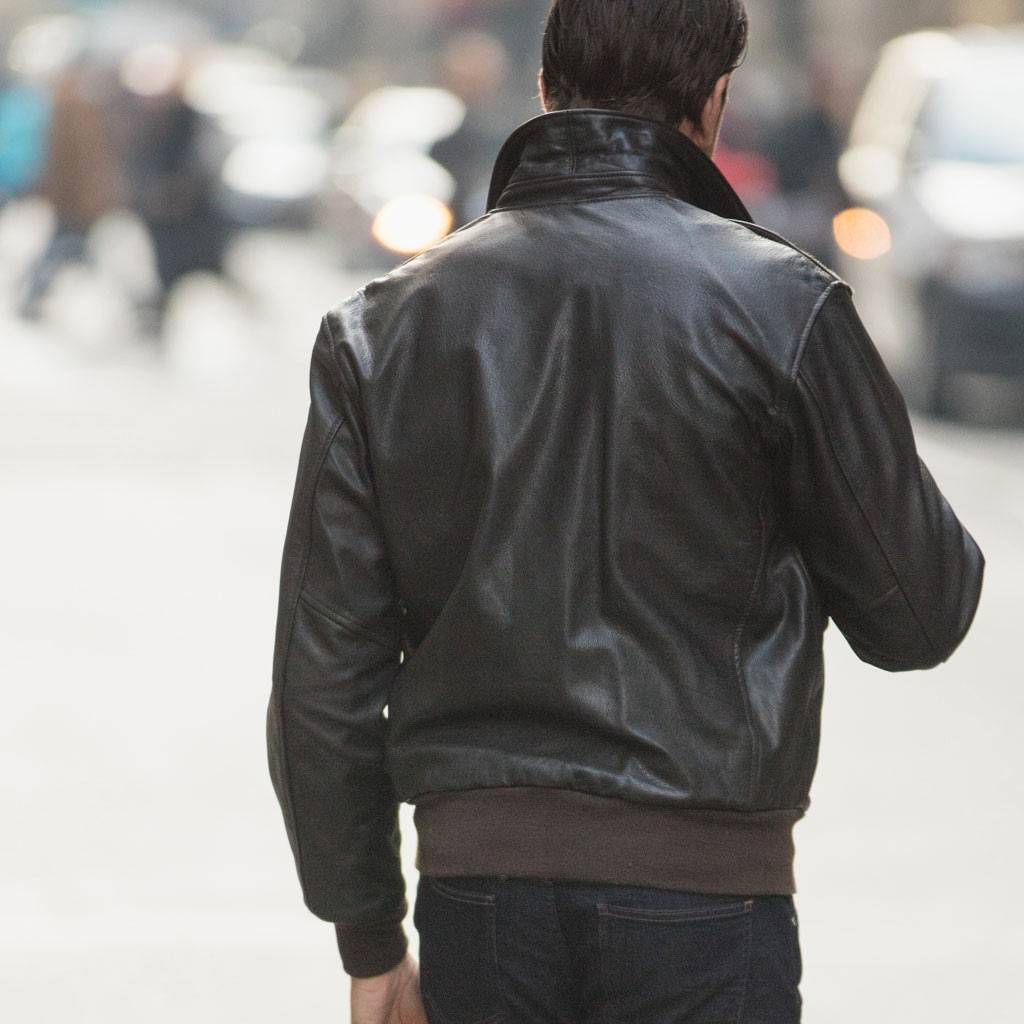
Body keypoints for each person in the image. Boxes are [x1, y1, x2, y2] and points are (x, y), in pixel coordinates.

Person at [266, 2, 986, 1022]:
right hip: (704, 899)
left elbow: (323, 669)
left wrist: (369, 937)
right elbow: (921, 615)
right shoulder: (783, 306)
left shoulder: (383, 325)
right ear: (715, 101)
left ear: (547, 92)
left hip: (480, 899)